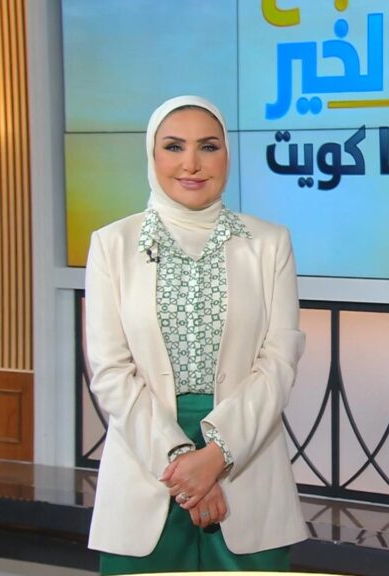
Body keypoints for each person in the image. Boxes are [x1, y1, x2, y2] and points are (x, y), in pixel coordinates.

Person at [85, 95, 307, 574]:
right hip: (147, 461)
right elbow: (110, 371)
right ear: (151, 155)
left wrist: (218, 456)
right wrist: (184, 465)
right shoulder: (111, 245)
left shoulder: (270, 243)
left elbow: (279, 361)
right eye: (174, 147)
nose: (191, 163)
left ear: (227, 155)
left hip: (247, 461)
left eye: (208, 147)